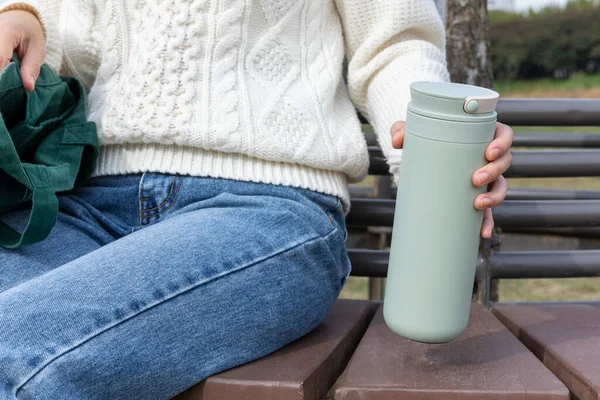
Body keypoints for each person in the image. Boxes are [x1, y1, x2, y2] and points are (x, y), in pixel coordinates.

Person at [0, 0, 513, 398]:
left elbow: (393, 44)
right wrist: (26, 18)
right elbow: (75, 37)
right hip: (84, 207)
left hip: (264, 211)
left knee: (15, 353)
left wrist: (439, 150)